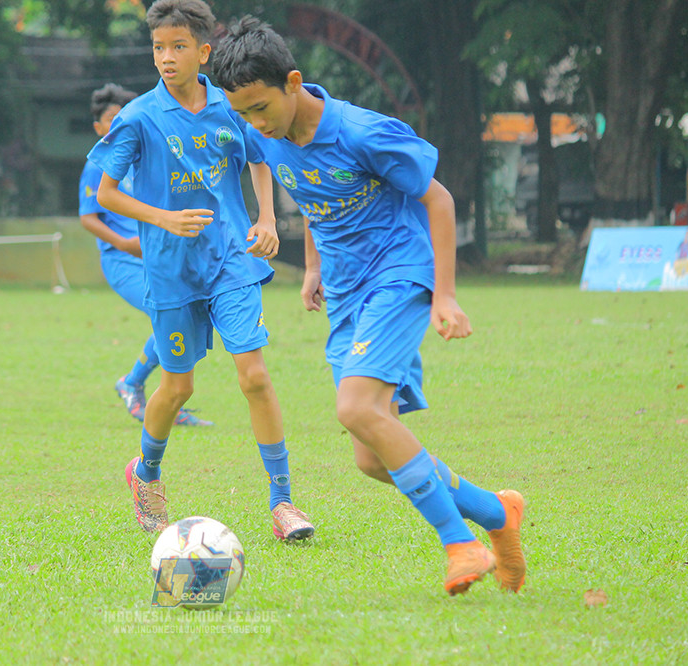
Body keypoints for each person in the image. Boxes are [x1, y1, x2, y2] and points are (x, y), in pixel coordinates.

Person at [212, 17, 525, 594]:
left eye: (259, 107)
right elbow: (310, 193)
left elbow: (439, 198)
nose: (253, 124)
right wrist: (312, 267)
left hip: (400, 275)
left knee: (356, 407)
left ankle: (461, 543)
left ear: (294, 82)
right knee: (371, 457)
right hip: (348, 292)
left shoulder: (364, 133)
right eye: (243, 114)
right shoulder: (267, 135)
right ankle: (498, 513)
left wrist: (446, 295)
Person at [87, 0, 315, 541]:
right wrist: (163, 217)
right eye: (158, 48)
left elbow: (259, 158)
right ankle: (146, 474)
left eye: (178, 47)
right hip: (170, 272)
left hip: (231, 262)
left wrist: (265, 217)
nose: (166, 57)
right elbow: (106, 194)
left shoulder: (232, 107)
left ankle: (283, 504)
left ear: (204, 51)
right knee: (177, 389)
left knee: (254, 377)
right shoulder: (139, 117)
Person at [79, 83, 212, 427]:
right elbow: (88, 217)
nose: (119, 124)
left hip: (156, 255)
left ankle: (146, 388)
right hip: (123, 260)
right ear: (98, 128)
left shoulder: (146, 158)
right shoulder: (99, 165)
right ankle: (143, 387)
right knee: (171, 313)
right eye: (111, 120)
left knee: (191, 313)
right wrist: (123, 244)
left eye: (124, 117)